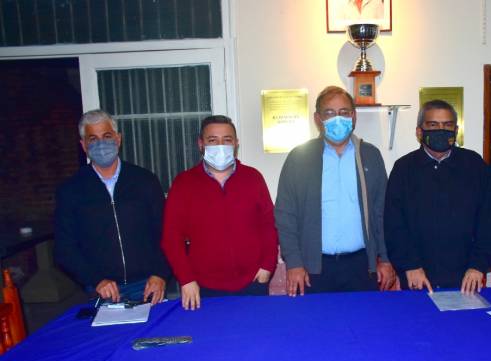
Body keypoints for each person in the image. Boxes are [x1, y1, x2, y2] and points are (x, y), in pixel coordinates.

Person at [275, 85, 395, 296]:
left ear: (354, 116)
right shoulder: (299, 158)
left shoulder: (370, 156)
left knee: (363, 317)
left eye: (344, 112)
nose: (337, 119)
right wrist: (293, 263)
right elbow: (286, 215)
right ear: (318, 118)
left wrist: (385, 259)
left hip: (362, 266)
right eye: (329, 113)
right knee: (317, 318)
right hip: (313, 269)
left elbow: (382, 212)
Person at [384, 99, 491, 294]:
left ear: (455, 131)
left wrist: (479, 265)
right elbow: (393, 225)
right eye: (433, 125)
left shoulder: (474, 165)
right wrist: (409, 265)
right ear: (419, 132)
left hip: (466, 279)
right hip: (416, 278)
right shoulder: (403, 169)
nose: (441, 130)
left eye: (447, 125)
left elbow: (490, 222)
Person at [161, 115, 278, 310]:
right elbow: (171, 237)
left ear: (236, 143)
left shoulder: (253, 178)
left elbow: (268, 225)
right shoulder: (184, 184)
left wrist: (267, 265)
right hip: (202, 287)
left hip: (253, 282)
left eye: (227, 140)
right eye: (213, 140)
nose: (220, 146)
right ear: (201, 144)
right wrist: (186, 279)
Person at [55, 109, 169, 304]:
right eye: (93, 138)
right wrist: (95, 279)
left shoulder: (144, 181)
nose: (101, 144)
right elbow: (64, 248)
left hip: (148, 284)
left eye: (107, 136)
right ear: (84, 145)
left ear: (118, 139)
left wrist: (160, 273)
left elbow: (166, 231)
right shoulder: (71, 190)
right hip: (103, 289)